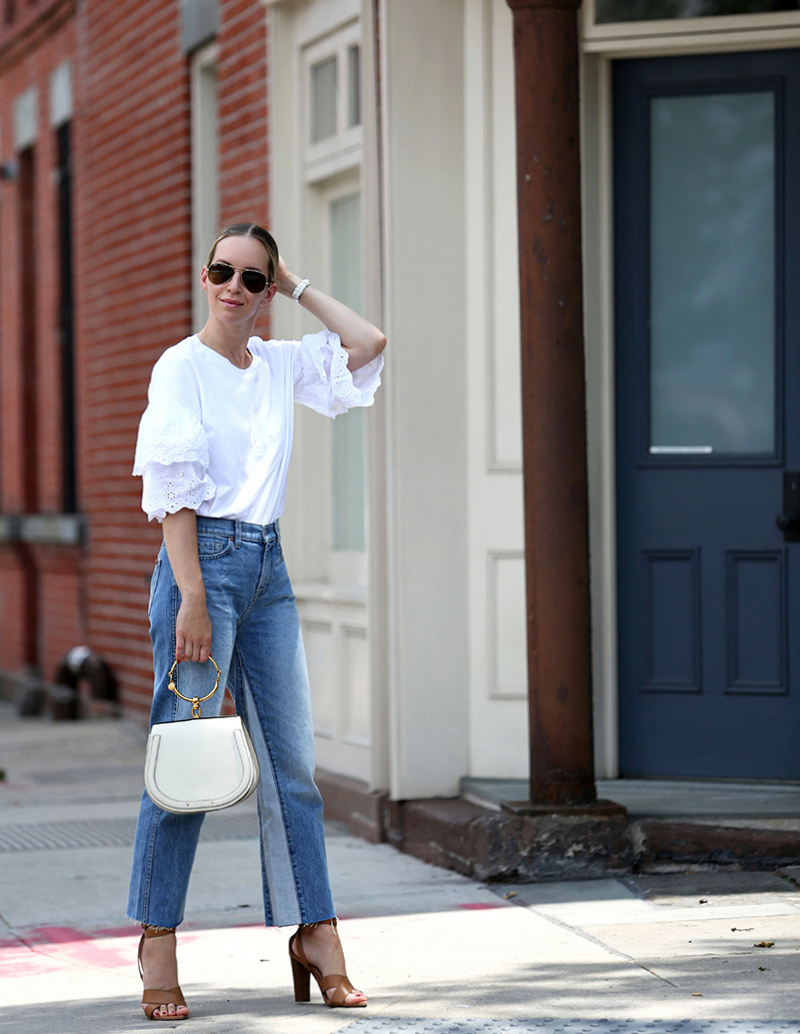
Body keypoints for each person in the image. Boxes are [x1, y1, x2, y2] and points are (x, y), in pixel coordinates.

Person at [127, 222, 386, 1021]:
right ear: (203, 278)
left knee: (294, 769)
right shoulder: (181, 367)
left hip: (268, 569)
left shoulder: (278, 364)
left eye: (254, 279)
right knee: (184, 763)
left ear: (269, 292)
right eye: (222, 273)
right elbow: (173, 489)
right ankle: (157, 942)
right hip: (200, 567)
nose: (235, 289)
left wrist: (301, 284)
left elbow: (368, 343)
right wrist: (195, 597)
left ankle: (318, 933)